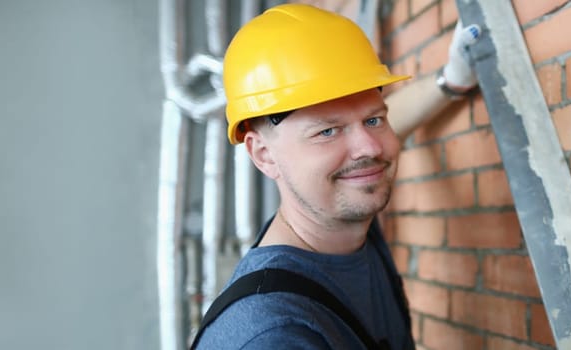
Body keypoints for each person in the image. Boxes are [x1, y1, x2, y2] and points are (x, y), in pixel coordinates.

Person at [191, 4, 480, 349]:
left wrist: (451, 80)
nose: (369, 148)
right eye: (328, 131)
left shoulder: (338, 215)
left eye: (374, 120)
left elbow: (385, 128)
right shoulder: (274, 336)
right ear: (264, 155)